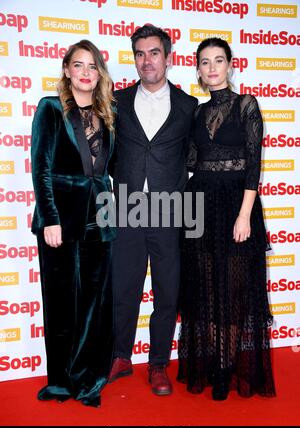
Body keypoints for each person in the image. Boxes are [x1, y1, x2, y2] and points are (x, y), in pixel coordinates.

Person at [177, 37, 276, 400]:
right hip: (200, 205)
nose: (212, 67)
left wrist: (244, 215)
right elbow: (188, 162)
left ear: (231, 66)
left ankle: (226, 366)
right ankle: (217, 362)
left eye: (219, 60)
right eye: (205, 62)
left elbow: (254, 166)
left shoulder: (247, 105)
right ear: (199, 70)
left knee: (232, 291)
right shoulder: (196, 113)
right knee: (206, 290)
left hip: (237, 205)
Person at [108, 25, 198, 395]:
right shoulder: (115, 101)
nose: (147, 60)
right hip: (126, 206)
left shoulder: (189, 106)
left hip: (171, 208)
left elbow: (194, 158)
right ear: (135, 59)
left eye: (154, 53)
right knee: (123, 286)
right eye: (140, 54)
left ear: (168, 57)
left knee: (167, 289)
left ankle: (158, 363)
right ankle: (120, 356)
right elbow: (107, 154)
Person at [31, 39, 116, 407]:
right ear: (67, 70)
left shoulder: (109, 114)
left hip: (101, 217)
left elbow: (110, 171)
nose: (85, 73)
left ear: (100, 74)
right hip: (60, 220)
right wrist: (50, 219)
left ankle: (88, 380)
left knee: (96, 303)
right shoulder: (51, 109)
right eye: (78, 65)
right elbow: (41, 168)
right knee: (62, 302)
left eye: (92, 66)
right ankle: (62, 382)